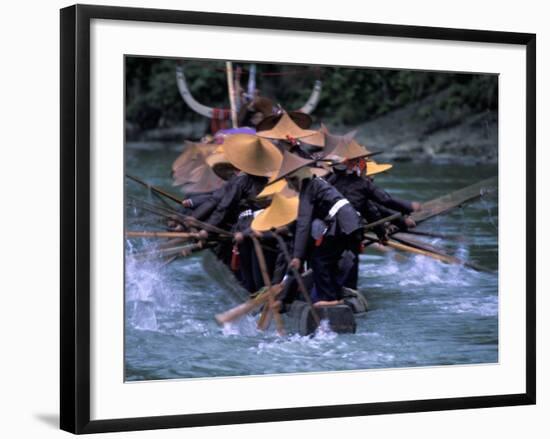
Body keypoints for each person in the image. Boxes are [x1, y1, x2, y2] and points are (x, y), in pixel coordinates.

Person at [269, 150, 363, 307]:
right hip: (349, 223)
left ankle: (329, 298)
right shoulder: (316, 184)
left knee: (319, 259)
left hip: (343, 225)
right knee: (327, 259)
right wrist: (287, 229)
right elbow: (305, 220)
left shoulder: (308, 188)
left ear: (295, 178)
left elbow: (304, 223)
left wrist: (297, 256)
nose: (290, 186)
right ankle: (335, 297)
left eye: (289, 181)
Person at [324, 140, 421, 288]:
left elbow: (371, 210)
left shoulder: (331, 180)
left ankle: (332, 290)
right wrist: (409, 207)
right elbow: (384, 202)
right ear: (358, 165)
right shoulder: (362, 184)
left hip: (328, 230)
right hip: (349, 231)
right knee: (351, 259)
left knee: (329, 260)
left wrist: (381, 233)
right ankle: (347, 290)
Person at [199, 134, 283, 293]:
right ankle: (264, 290)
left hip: (247, 230)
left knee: (249, 275)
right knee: (264, 269)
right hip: (270, 227)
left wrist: (207, 229)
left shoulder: (241, 181)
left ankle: (253, 292)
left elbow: (224, 207)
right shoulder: (274, 180)